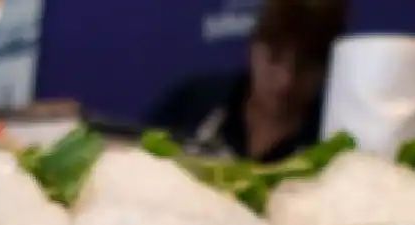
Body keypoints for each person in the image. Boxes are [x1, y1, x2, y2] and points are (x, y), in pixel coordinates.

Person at [145, 0, 348, 162]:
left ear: (330, 66)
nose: (286, 81)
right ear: (253, 46)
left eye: (307, 66)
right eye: (274, 58)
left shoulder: (333, 143)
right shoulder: (194, 103)